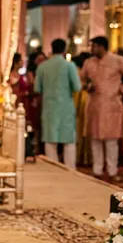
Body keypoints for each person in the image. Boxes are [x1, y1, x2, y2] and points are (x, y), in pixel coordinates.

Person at [82, 36, 123, 180]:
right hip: (94, 103)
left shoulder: (117, 60)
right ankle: (97, 170)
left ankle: (112, 171)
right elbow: (82, 79)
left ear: (102, 47)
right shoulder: (89, 62)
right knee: (95, 138)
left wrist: (122, 89)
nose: (92, 49)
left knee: (111, 139)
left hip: (111, 104)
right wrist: (87, 86)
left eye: (94, 46)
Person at [35, 39, 81, 168]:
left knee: (50, 141)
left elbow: (37, 89)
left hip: (49, 108)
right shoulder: (69, 66)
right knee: (69, 141)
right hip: (66, 107)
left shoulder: (42, 66)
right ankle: (71, 172)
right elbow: (77, 87)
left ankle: (53, 170)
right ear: (64, 50)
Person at [73, 52, 92, 167]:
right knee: (86, 130)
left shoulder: (78, 72)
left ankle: (81, 156)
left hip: (82, 101)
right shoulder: (82, 72)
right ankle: (86, 157)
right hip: (86, 100)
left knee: (81, 130)